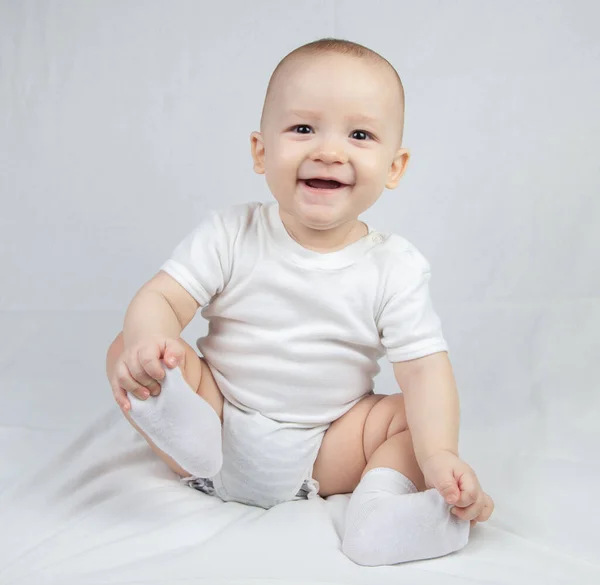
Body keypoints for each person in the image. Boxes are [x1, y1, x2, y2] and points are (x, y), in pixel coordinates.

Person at [105, 37, 494, 566]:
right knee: (129, 349)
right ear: (261, 151)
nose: (328, 151)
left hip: (327, 452)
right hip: (216, 416)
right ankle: (187, 436)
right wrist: (150, 341)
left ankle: (380, 512)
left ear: (394, 167)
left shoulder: (393, 267)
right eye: (303, 128)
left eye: (360, 134)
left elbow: (424, 370)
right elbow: (162, 299)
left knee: (408, 418)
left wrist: (438, 454)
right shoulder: (230, 232)